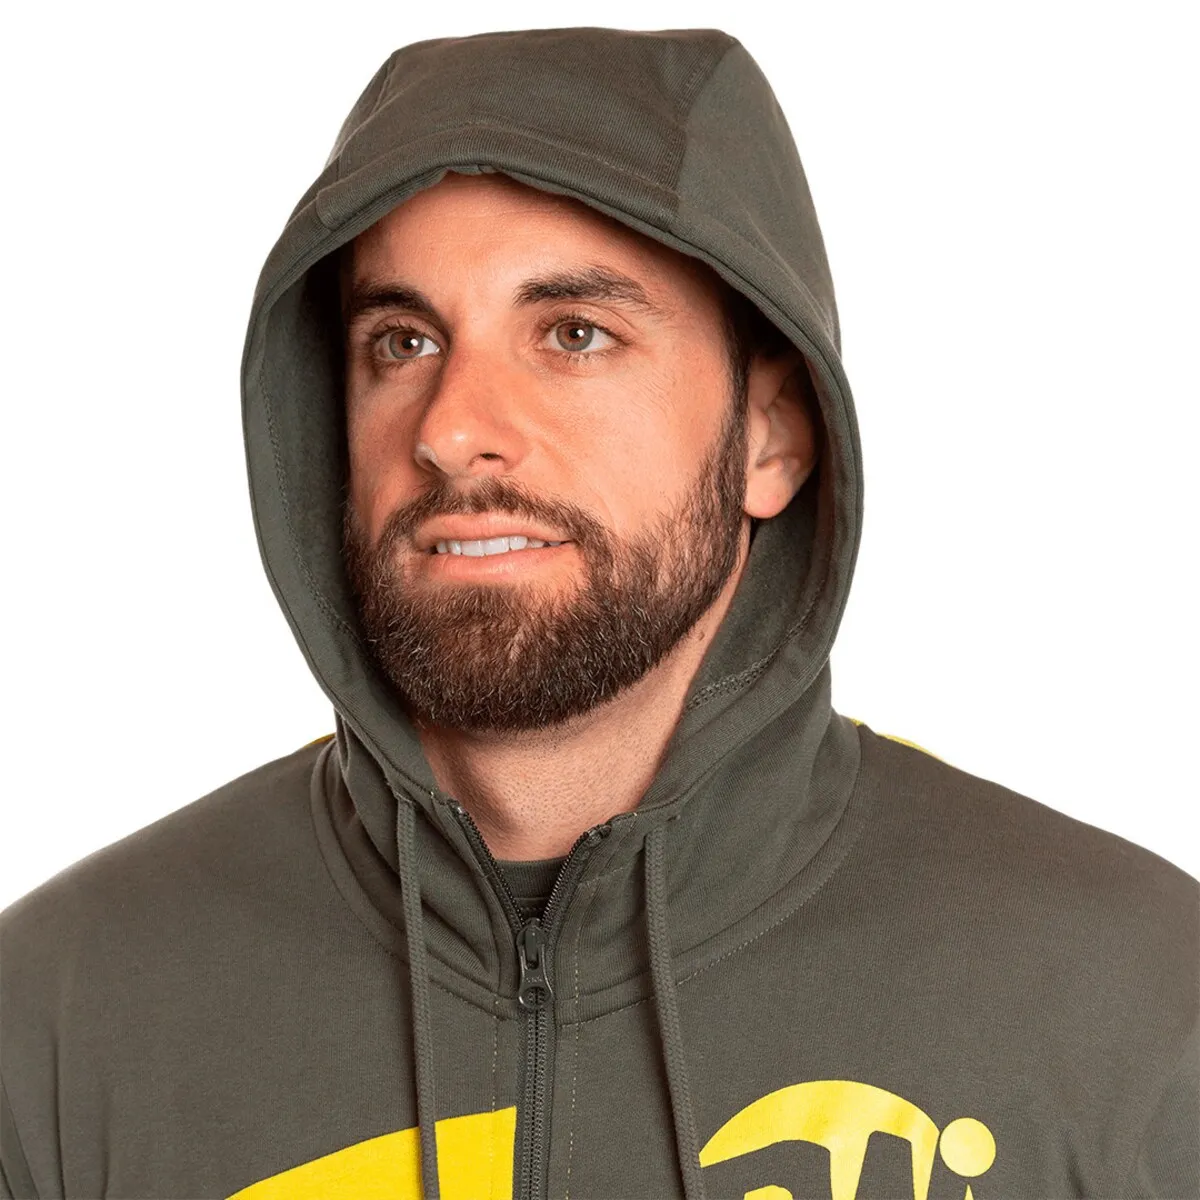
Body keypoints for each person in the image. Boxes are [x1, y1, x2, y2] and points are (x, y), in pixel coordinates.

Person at [1, 24, 1195, 1200]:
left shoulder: (1129, 1009)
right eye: (403, 340)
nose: (452, 427)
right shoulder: (58, 1023)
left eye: (575, 335)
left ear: (772, 438)